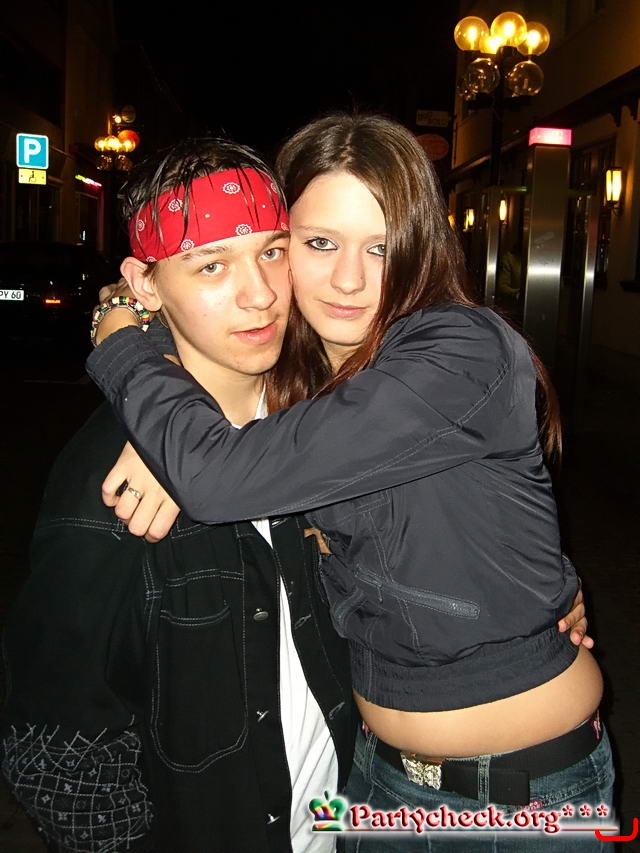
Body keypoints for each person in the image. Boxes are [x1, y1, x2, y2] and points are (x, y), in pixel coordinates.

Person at [87, 112, 612, 849]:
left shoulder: (458, 349)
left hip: (515, 798)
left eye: (381, 246)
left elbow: (217, 474)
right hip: (372, 777)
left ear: (421, 244)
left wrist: (120, 337)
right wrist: (163, 423)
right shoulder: (309, 386)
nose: (349, 279)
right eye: (320, 243)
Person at [0, 137, 358, 853]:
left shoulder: (320, 419)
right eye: (211, 265)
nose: (260, 294)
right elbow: (58, 749)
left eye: (271, 252)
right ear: (147, 283)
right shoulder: (109, 486)